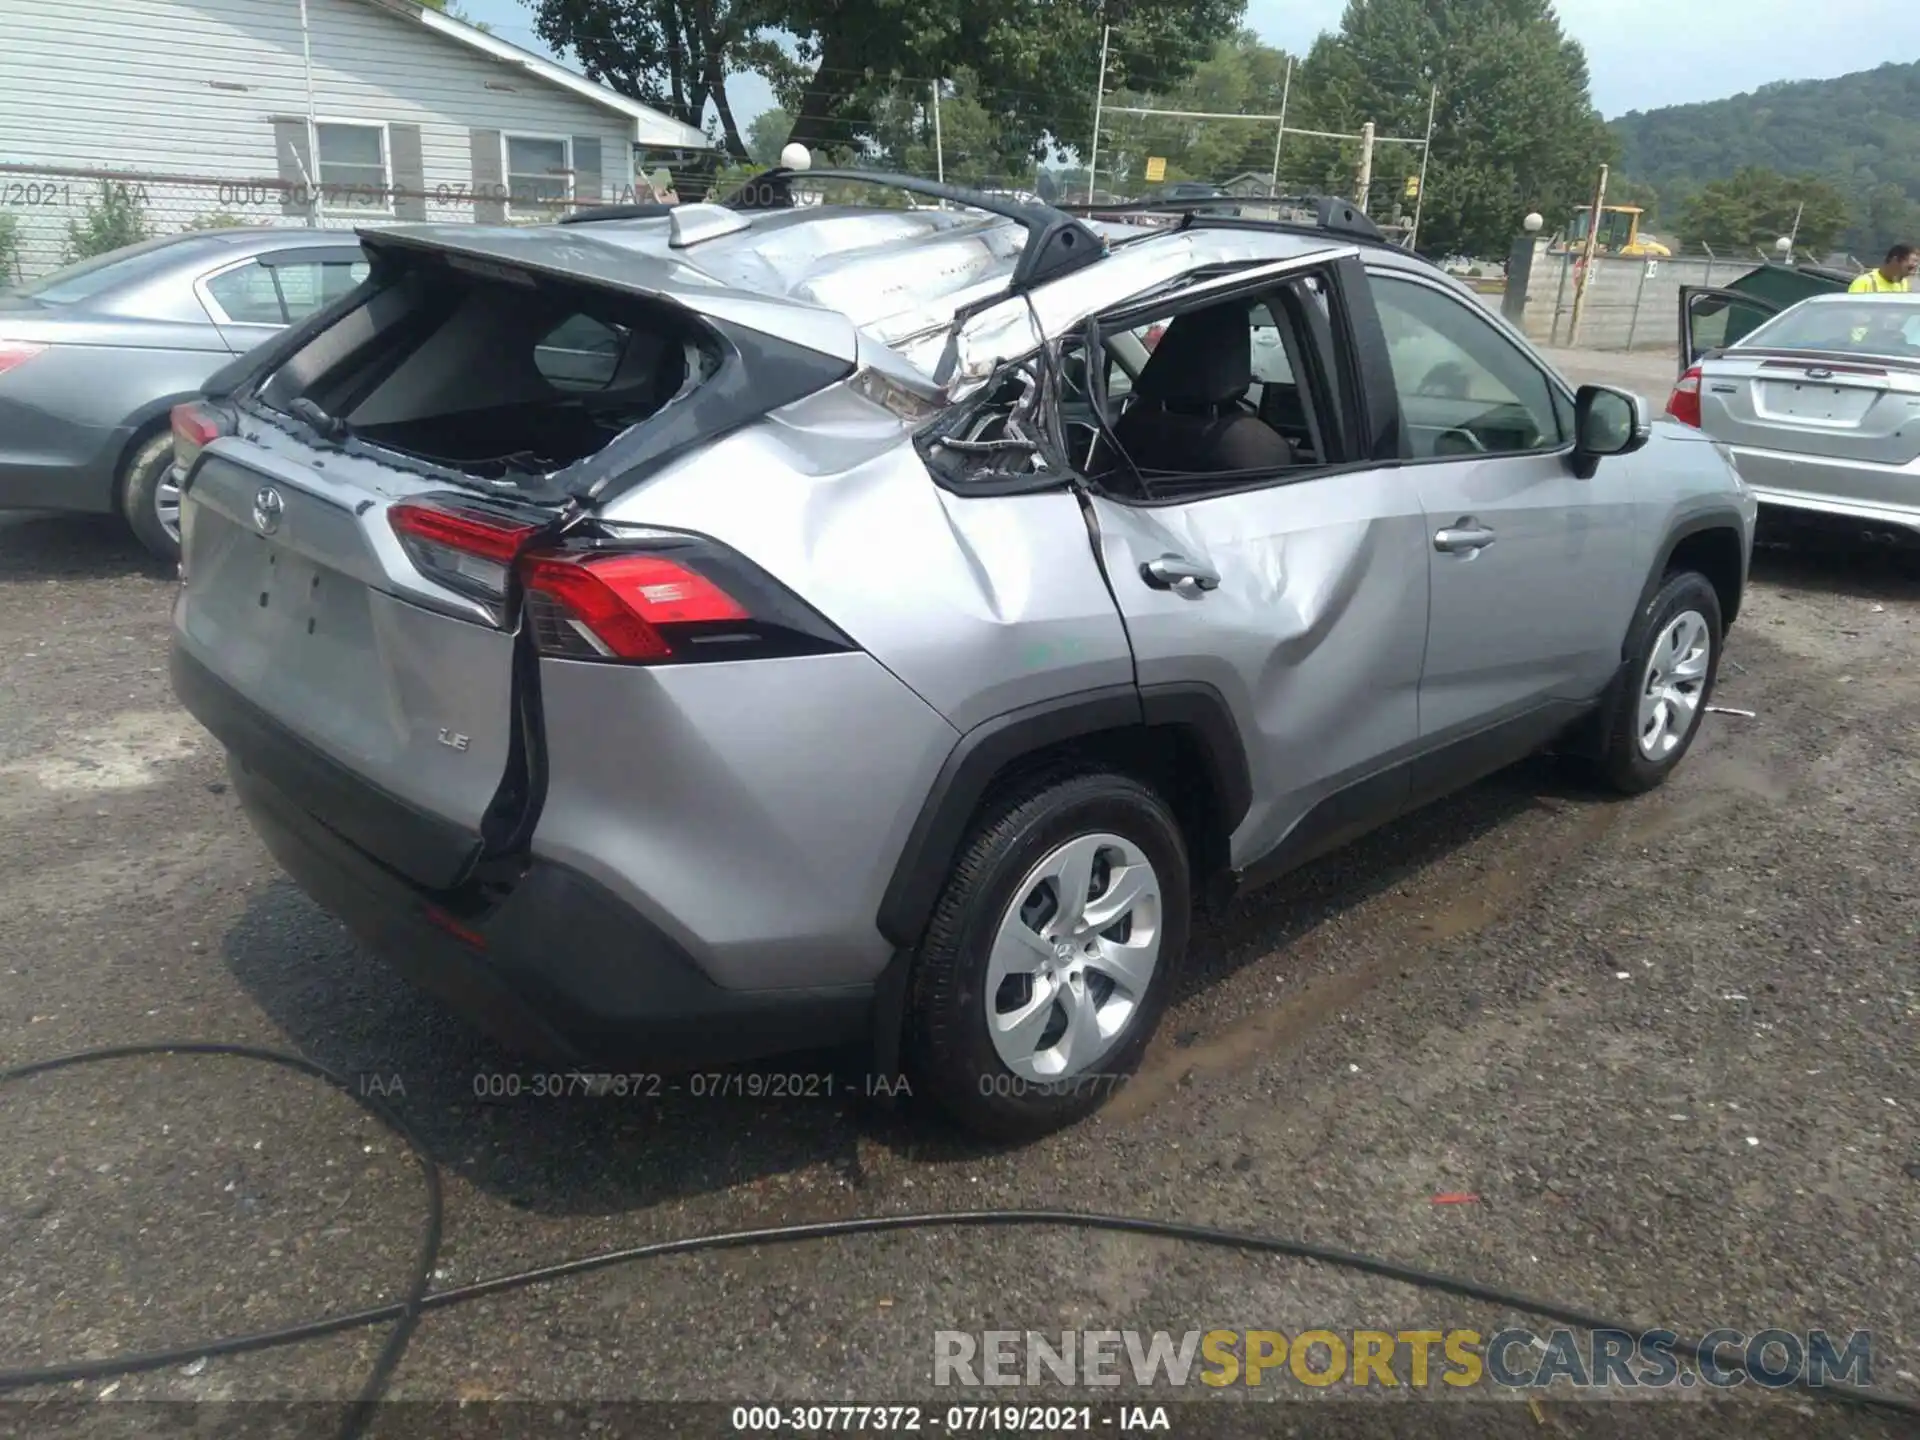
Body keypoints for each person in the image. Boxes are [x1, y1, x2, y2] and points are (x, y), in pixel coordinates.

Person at [1849, 243, 1917, 294]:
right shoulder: (1864, 283)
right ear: (1895, 261)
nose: (1910, 273)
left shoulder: (1903, 284)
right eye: (1910, 268)